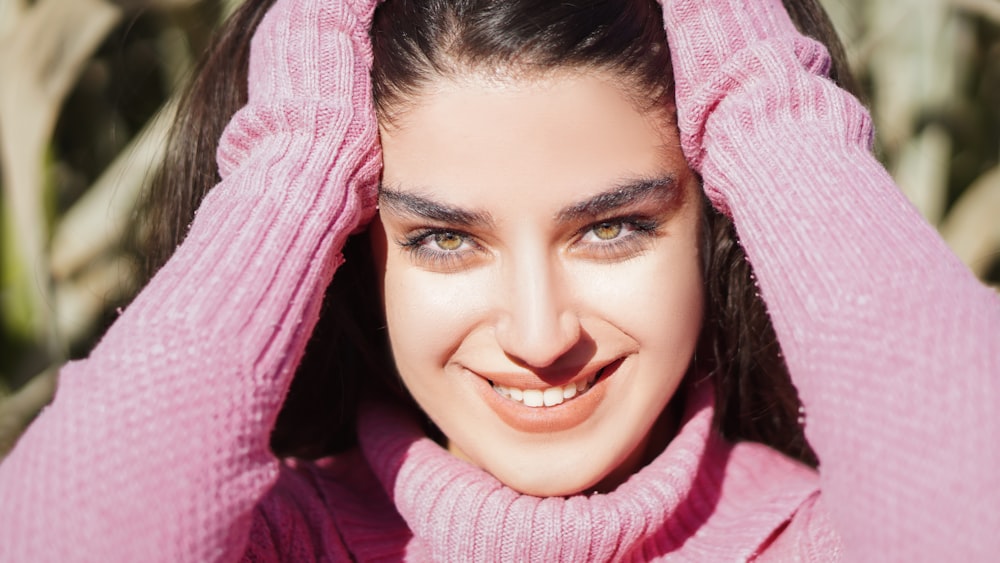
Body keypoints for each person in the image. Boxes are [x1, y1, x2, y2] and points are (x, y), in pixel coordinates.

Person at [0, 0, 997, 560]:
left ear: (718, 219)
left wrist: (768, 110)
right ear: (344, 246)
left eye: (612, 228)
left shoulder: (807, 539)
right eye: (442, 239)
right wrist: (294, 157)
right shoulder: (283, 545)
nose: (536, 330)